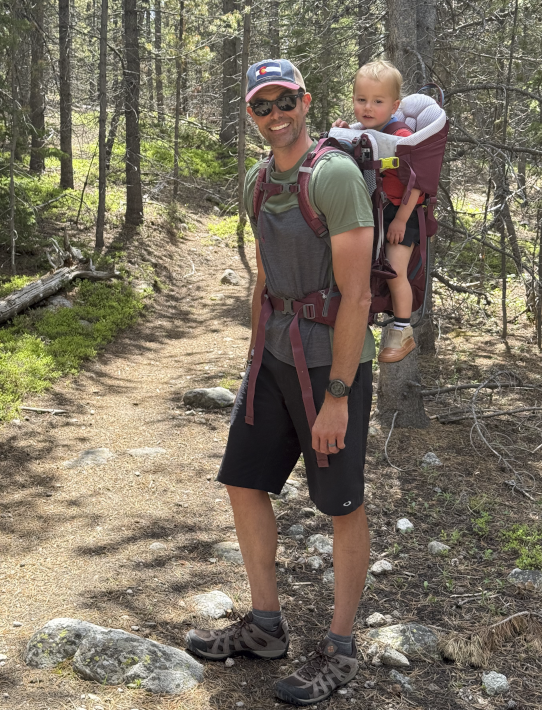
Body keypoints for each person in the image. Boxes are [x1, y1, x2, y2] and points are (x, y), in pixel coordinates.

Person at [186, 58, 375, 706]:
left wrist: (338, 398)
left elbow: (355, 297)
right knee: (244, 481)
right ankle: (265, 626)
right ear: (251, 114)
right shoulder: (257, 183)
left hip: (332, 361)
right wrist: (250, 363)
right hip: (273, 356)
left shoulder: (337, 177)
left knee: (341, 505)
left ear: (305, 100)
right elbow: (266, 276)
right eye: (262, 106)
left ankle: (341, 647)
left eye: (284, 101)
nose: (275, 115)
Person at [333, 59, 422, 363]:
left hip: (401, 215)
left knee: (395, 271)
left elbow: (420, 183)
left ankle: (403, 331)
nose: (367, 107)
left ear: (395, 105)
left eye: (377, 101)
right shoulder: (362, 131)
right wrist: (342, 134)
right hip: (373, 213)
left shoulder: (403, 137)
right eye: (361, 100)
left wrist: (401, 219)